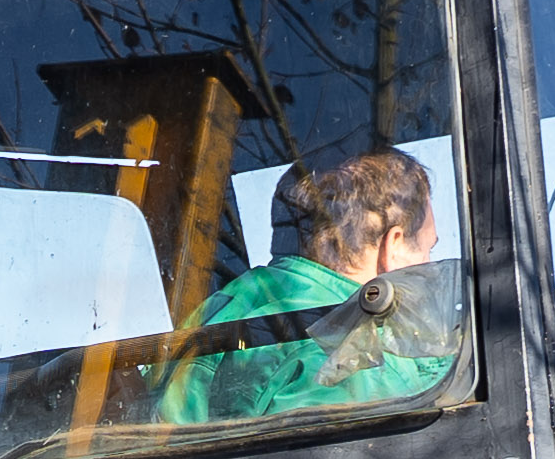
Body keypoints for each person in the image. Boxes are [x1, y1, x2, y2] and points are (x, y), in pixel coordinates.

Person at [151, 149, 453, 424]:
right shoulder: (356, 363)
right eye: (427, 249)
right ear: (394, 245)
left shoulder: (226, 305)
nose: (429, 264)